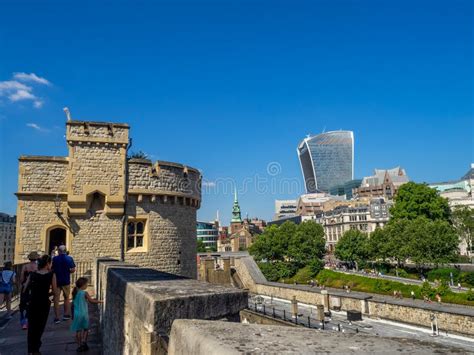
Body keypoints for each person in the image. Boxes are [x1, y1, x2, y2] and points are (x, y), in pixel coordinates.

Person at [24, 255, 57, 355]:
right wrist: (49, 294)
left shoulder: (33, 274)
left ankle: (31, 350)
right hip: (43, 303)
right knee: (40, 326)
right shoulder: (51, 274)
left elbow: (25, 289)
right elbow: (55, 291)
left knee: (32, 327)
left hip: (33, 302)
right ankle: (36, 349)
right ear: (47, 264)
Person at [71, 277, 103, 352]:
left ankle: (79, 346)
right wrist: (101, 301)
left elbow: (72, 304)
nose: (87, 285)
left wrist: (72, 315)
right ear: (83, 285)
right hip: (83, 314)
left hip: (76, 314)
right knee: (85, 329)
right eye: (86, 284)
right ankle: (83, 342)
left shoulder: (74, 292)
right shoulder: (84, 293)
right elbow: (91, 301)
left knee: (78, 331)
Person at [52, 245, 76, 324]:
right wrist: (67, 271)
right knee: (66, 298)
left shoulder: (55, 259)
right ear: (66, 250)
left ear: (58, 251)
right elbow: (73, 269)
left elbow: (52, 269)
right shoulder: (69, 258)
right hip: (66, 280)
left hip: (56, 281)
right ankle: (66, 315)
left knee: (56, 299)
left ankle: (57, 317)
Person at [19, 251, 40, 329]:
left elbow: (21, 279)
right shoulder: (37, 266)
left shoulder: (25, 266)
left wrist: (22, 284)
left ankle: (23, 321)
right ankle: (28, 320)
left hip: (25, 286)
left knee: (23, 303)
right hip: (34, 287)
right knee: (31, 303)